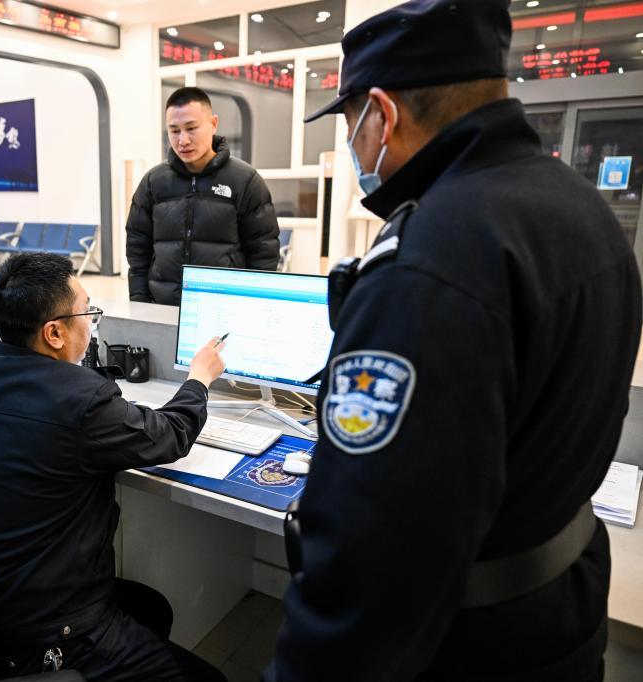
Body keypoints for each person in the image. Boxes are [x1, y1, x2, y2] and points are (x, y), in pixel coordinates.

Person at [268, 1, 642, 681]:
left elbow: (368, 547)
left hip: (461, 643)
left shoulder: (426, 263)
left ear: (382, 114)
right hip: (561, 608)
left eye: (350, 124)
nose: (354, 145)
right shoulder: (582, 208)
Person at [0, 252, 228, 681]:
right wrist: (199, 378)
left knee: (152, 609)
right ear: (54, 332)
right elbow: (170, 435)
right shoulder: (80, 401)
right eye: (88, 313)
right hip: (48, 636)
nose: (92, 325)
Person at [125, 86, 280, 306]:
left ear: (213, 123)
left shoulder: (245, 181)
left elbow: (263, 255)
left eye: (191, 128)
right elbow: (137, 252)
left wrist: (251, 306)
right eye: (174, 131)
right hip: (163, 307)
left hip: (222, 309)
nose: (183, 140)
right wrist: (140, 304)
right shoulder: (153, 182)